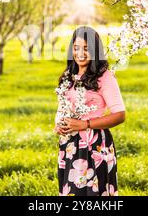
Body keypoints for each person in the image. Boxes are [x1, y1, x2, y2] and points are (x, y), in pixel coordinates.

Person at [54, 26, 126, 196]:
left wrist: (85, 124)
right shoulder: (67, 77)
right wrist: (59, 125)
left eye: (86, 49)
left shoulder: (105, 76)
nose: (80, 53)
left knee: (95, 194)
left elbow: (120, 115)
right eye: (76, 48)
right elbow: (61, 108)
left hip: (95, 145)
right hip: (70, 145)